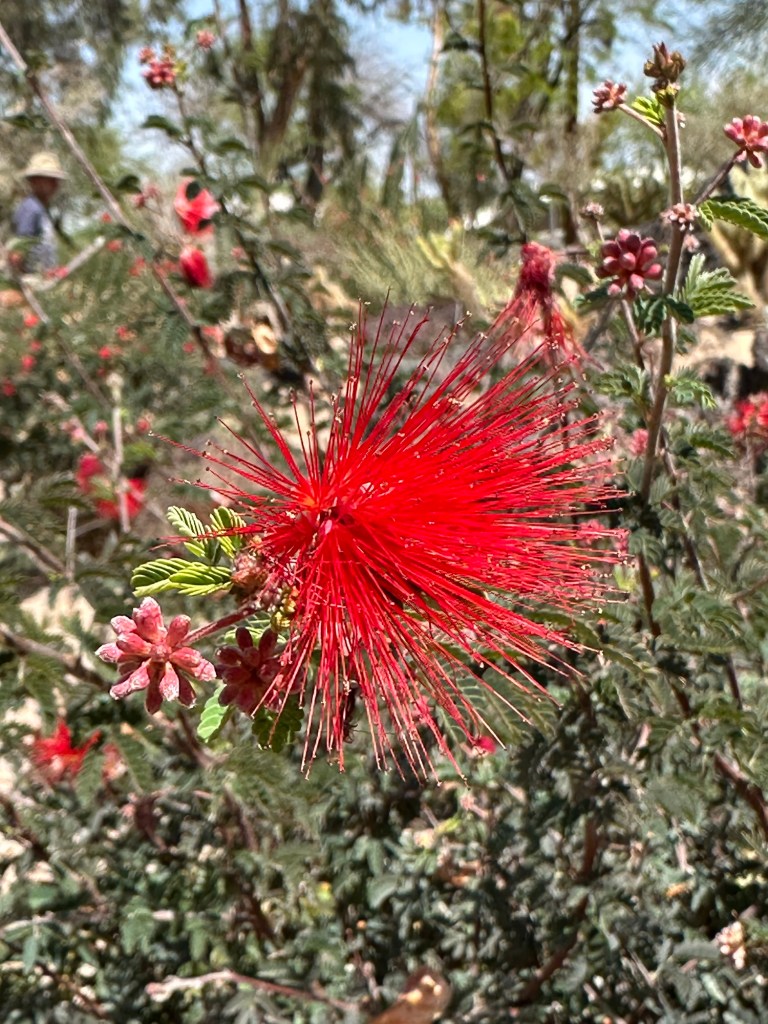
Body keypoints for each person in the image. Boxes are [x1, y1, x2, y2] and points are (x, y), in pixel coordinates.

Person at [12, 151, 67, 274]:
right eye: (50, 180)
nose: (55, 184)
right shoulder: (31, 208)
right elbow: (19, 252)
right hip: (30, 279)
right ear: (34, 181)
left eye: (56, 180)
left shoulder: (42, 209)